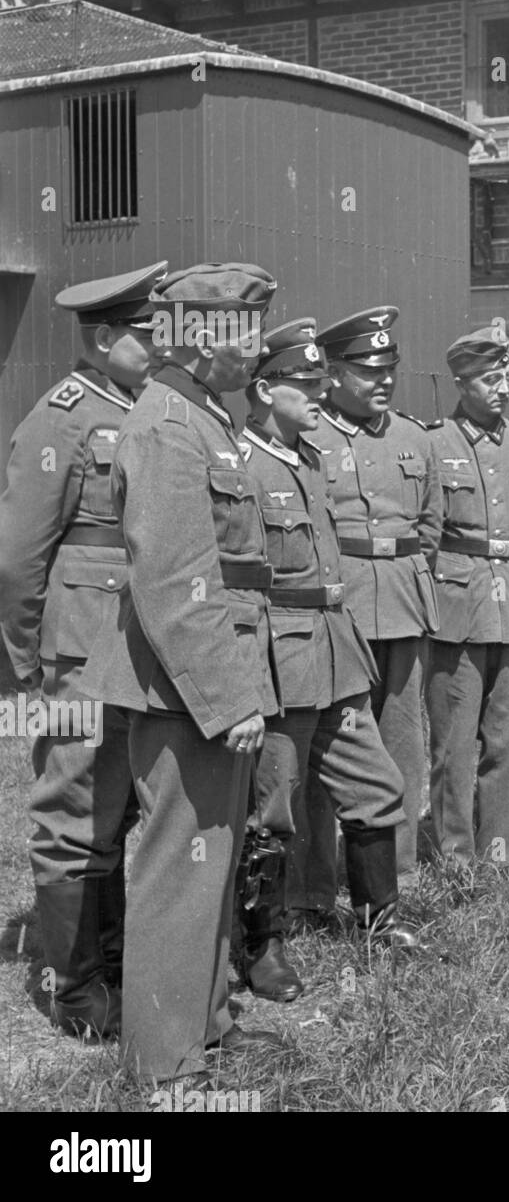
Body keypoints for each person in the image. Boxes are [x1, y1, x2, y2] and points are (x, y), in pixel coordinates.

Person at [80, 262, 281, 1082]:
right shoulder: (169, 425)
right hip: (184, 687)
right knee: (179, 869)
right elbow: (172, 580)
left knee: (215, 861)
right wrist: (229, 697)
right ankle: (163, 1069)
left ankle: (206, 1027)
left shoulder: (204, 416)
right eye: (250, 331)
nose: (261, 347)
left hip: (206, 675)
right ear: (203, 340)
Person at [234, 318, 426, 1002]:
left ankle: (381, 922)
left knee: (376, 786)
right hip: (280, 661)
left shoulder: (309, 459)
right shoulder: (242, 466)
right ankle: (263, 946)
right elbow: (240, 588)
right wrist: (250, 682)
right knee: (273, 808)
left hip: (335, 651)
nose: (319, 392)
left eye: (322, 381)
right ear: (263, 391)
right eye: (304, 383)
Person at [0, 261, 166, 1036]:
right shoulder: (63, 417)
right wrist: (25, 663)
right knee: (73, 806)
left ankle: (111, 960)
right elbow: (17, 554)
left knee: (118, 806)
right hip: (78, 648)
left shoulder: (146, 408)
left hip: (136, 643)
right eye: (146, 331)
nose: (160, 341)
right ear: (103, 340)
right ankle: (71, 986)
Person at [302, 307, 441, 914]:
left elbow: (430, 529)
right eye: (367, 370)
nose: (382, 380)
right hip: (340, 608)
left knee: (403, 741)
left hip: (404, 601)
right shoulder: (307, 437)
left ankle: (396, 872)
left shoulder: (414, 437)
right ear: (332, 375)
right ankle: (310, 883)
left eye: (389, 368)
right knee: (327, 742)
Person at [426, 325, 509, 867]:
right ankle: (454, 857)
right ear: (460, 383)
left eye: (506, 377)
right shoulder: (434, 444)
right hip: (459, 604)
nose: (500, 388)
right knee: (453, 746)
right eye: (488, 379)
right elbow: (427, 532)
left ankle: (507, 854)